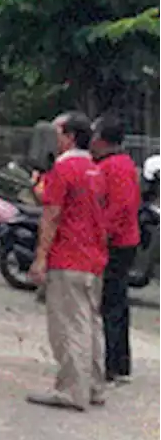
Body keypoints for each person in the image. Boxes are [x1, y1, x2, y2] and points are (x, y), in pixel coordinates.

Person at [27, 111, 109, 411]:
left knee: (67, 327)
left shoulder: (64, 171)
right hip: (93, 258)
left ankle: (71, 390)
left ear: (69, 137)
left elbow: (52, 215)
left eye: (57, 132)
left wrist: (40, 258)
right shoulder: (95, 170)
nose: (54, 137)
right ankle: (94, 386)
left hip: (68, 257)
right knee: (90, 324)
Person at [91, 114, 140, 384]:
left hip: (116, 243)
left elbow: (118, 207)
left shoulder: (114, 167)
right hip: (123, 240)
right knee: (116, 302)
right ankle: (117, 362)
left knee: (111, 302)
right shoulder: (120, 164)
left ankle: (113, 363)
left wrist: (101, 235)